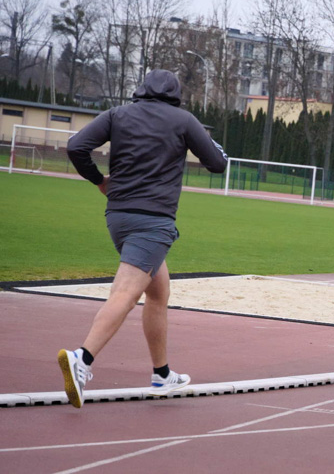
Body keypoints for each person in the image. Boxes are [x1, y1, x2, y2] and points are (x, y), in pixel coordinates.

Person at [59, 70, 228, 408]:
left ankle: (162, 374)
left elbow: (76, 146)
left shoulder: (118, 114)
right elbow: (216, 165)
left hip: (118, 216)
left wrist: (98, 181)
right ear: (176, 93)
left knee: (158, 292)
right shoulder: (183, 119)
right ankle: (82, 358)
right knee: (125, 292)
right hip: (153, 222)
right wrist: (217, 150)